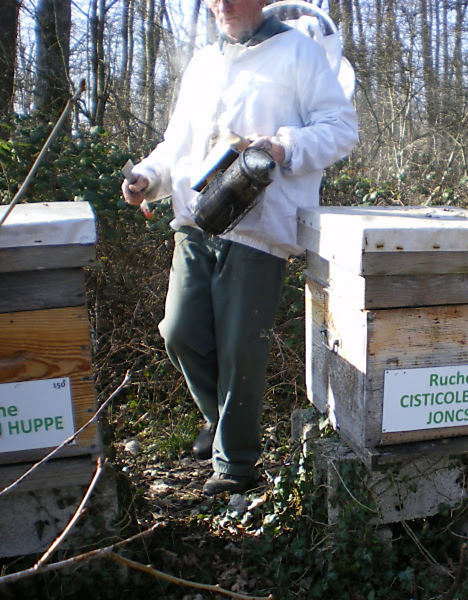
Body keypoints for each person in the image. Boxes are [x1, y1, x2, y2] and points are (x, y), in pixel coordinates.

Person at [121, 0, 358, 496]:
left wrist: (282, 146)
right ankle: (220, 420)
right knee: (179, 332)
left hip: (259, 226)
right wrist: (149, 175)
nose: (222, 5)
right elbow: (178, 142)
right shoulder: (203, 62)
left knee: (239, 350)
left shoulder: (298, 52)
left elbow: (340, 129)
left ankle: (237, 466)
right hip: (194, 220)